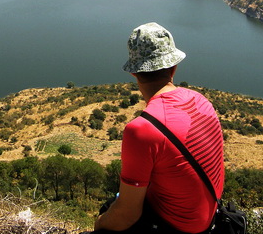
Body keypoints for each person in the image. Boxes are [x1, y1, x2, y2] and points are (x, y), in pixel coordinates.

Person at [93, 22, 225, 234]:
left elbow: (127, 215)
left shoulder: (142, 130)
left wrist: (98, 224)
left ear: (134, 73)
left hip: (177, 228)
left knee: (109, 213)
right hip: (212, 220)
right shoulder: (201, 101)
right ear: (174, 67)